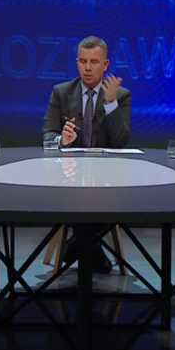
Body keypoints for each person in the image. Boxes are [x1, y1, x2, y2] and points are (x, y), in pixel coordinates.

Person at [41, 36, 131, 273]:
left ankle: (77, 245)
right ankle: (92, 248)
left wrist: (110, 104)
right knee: (76, 194)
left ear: (105, 64)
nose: (88, 68)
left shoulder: (121, 95)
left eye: (94, 62)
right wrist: (61, 140)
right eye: (83, 61)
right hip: (69, 176)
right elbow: (47, 135)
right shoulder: (61, 93)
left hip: (107, 179)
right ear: (76, 62)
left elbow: (121, 142)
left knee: (105, 196)